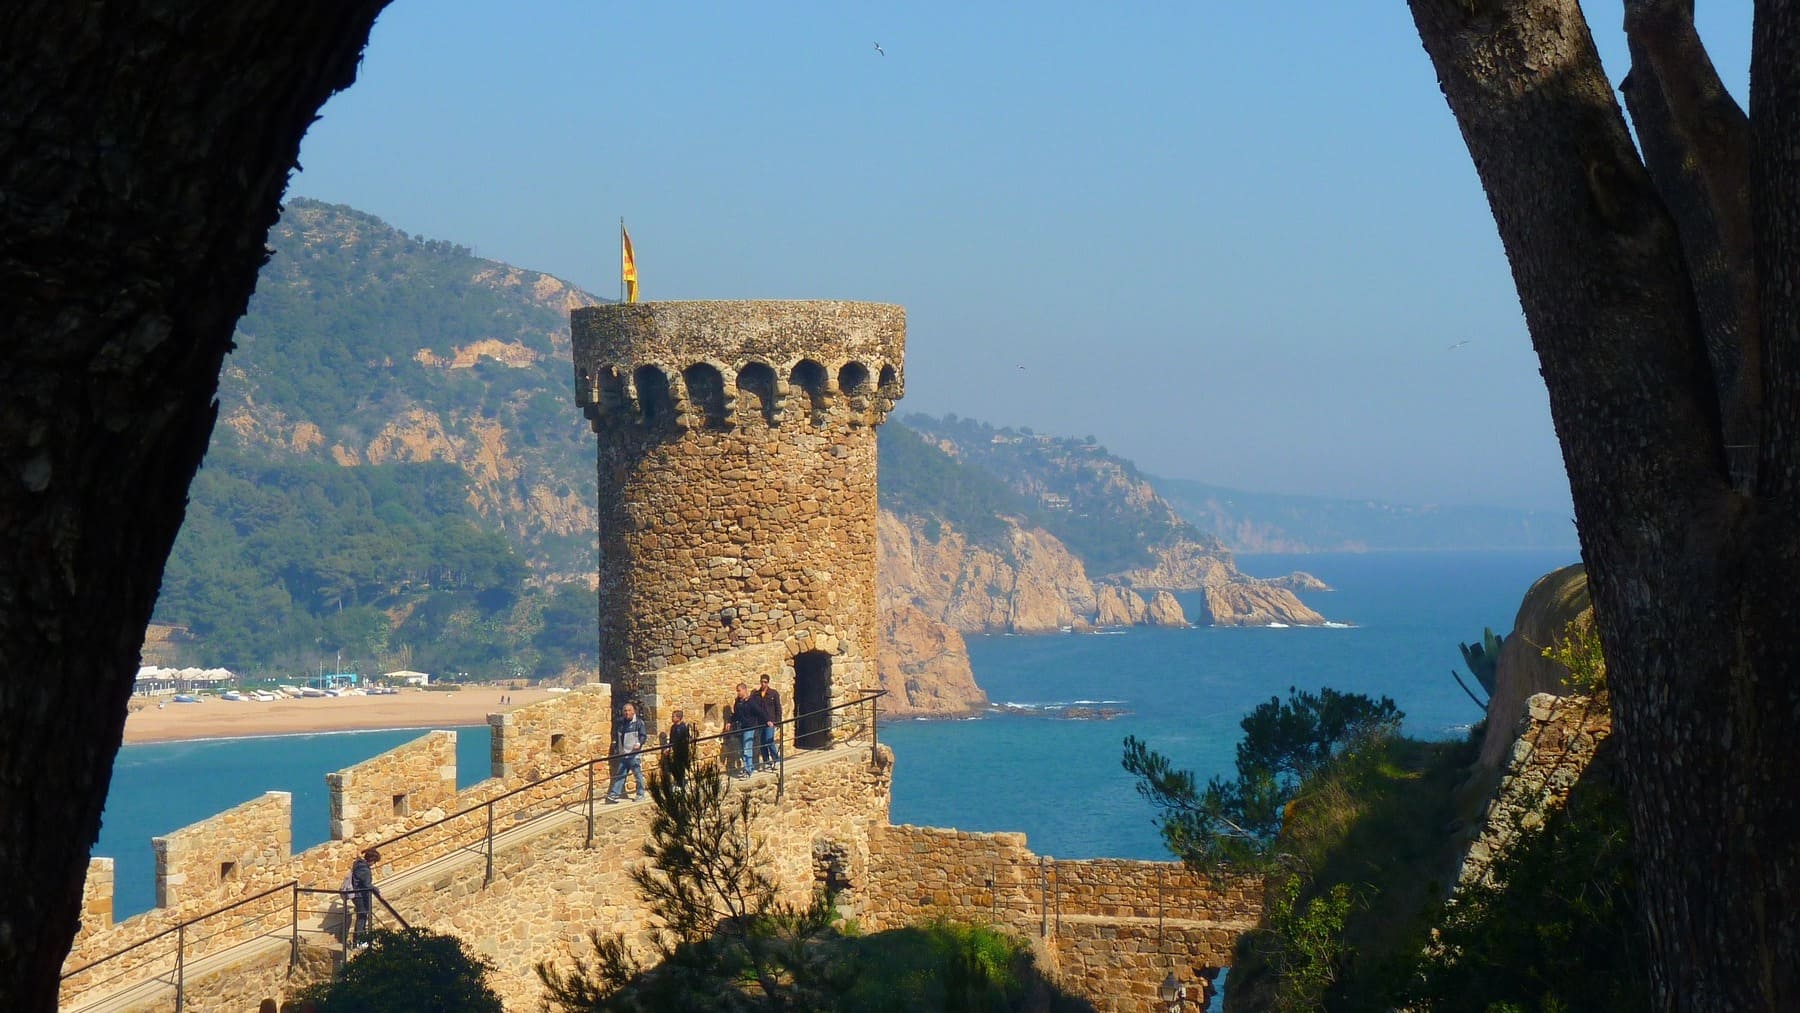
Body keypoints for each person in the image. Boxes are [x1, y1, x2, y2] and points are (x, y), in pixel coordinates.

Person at [606, 702, 650, 802]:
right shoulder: (622, 723)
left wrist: (639, 744)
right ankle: (614, 795)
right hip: (624, 754)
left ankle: (640, 794)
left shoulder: (639, 723)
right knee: (620, 775)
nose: (627, 712)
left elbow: (643, 735)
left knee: (637, 775)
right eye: (625, 711)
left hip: (634, 754)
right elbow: (619, 737)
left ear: (634, 711)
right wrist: (617, 749)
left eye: (629, 710)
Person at [729, 682, 764, 778]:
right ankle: (750, 767)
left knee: (747, 748)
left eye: (739, 691)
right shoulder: (738, 702)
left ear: (744, 690)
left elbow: (759, 712)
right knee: (742, 750)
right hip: (740, 727)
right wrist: (730, 722)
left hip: (749, 727)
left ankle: (748, 770)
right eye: (737, 691)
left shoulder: (751, 701)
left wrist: (768, 720)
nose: (738, 693)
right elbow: (736, 714)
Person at [348, 847, 380, 947]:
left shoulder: (358, 863)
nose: (374, 864)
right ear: (371, 860)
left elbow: (358, 854)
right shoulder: (364, 870)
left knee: (360, 917)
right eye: (374, 862)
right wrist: (377, 890)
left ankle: (358, 940)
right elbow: (367, 885)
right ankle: (359, 941)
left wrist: (361, 852)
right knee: (362, 917)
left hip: (356, 894)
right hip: (360, 896)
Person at [753, 674, 783, 768]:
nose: (763, 684)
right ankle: (766, 761)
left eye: (765, 682)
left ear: (768, 682)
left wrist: (777, 721)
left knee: (769, 740)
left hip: (771, 721)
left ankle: (776, 760)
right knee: (762, 742)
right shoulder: (756, 695)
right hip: (761, 722)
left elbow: (778, 708)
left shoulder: (773, 693)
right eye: (762, 682)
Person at [665, 708, 693, 784]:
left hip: (682, 750)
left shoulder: (683, 727)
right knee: (674, 766)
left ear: (678, 718)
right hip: (675, 750)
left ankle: (681, 782)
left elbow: (686, 738)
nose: (672, 718)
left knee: (681, 766)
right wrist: (669, 748)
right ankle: (679, 780)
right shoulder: (673, 727)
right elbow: (671, 739)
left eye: (673, 717)